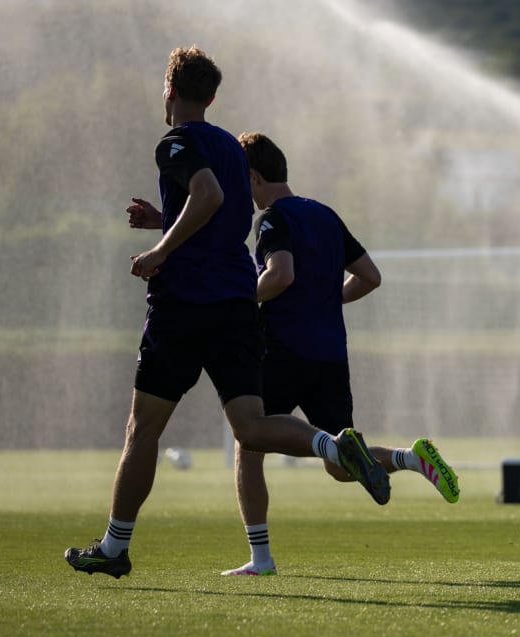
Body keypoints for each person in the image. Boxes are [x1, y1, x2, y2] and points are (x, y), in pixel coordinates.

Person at [64, 46, 387, 580]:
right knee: (251, 428)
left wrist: (160, 252)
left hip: (184, 305)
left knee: (142, 430)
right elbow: (223, 216)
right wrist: (161, 221)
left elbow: (207, 195)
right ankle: (334, 444)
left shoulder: (176, 141)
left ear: (168, 91)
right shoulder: (235, 152)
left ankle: (115, 548)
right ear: (211, 96)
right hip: (237, 303)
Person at [220, 132, 460, 577]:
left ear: (252, 177)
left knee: (248, 440)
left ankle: (261, 559)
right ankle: (412, 457)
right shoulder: (325, 215)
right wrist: (327, 301)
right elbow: (370, 276)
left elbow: (280, 275)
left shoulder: (272, 219)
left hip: (282, 349)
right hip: (330, 354)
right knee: (342, 466)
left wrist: (240, 301)